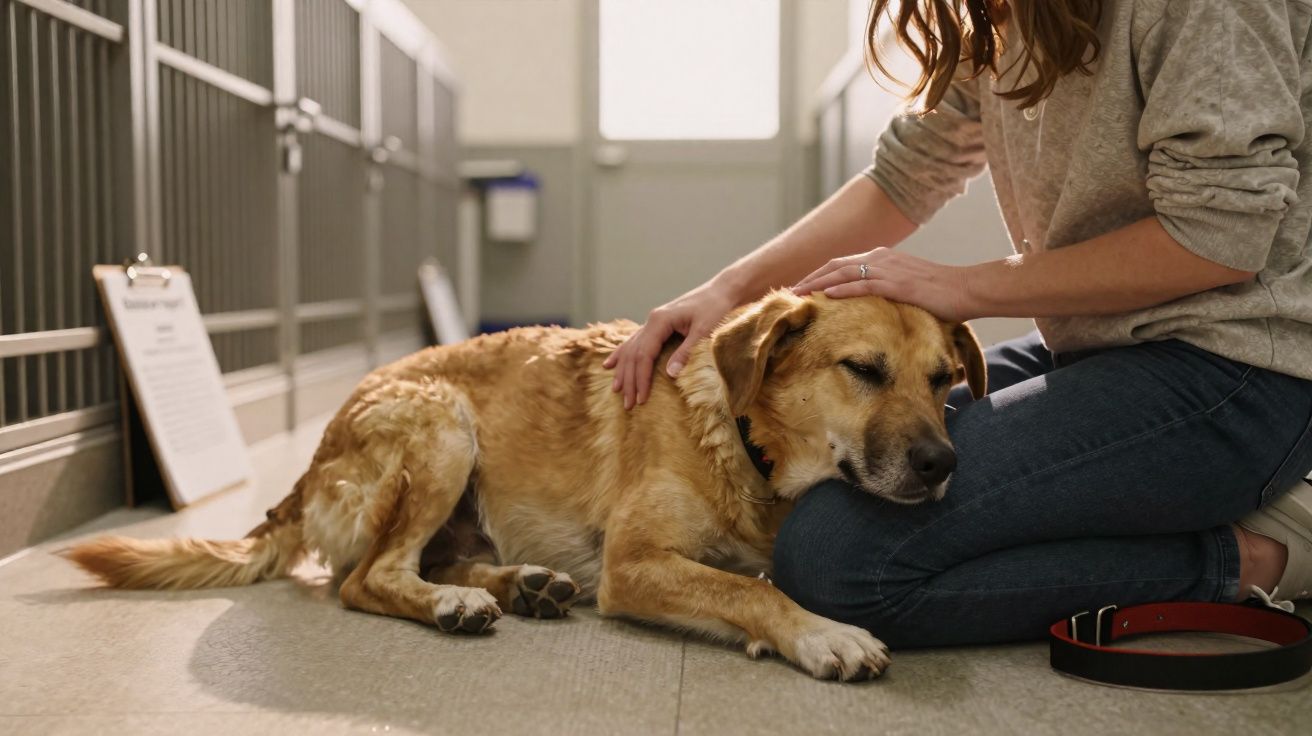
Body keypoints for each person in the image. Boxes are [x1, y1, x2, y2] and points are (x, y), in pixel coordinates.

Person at [603, 0, 1312, 647]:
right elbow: (905, 176)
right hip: (1095, 346)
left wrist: (965, 286)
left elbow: (1221, 236)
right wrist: (725, 291)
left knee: (837, 565)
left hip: (1237, 372)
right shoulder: (1003, 19)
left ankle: (1249, 557)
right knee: (836, 495)